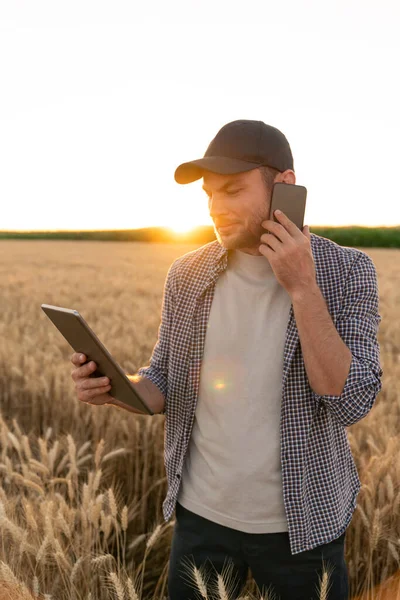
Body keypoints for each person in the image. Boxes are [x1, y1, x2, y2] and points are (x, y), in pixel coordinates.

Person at [70, 120, 383, 600]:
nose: (217, 208)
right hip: (201, 521)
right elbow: (163, 382)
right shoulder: (187, 274)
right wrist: (117, 388)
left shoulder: (348, 272)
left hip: (303, 528)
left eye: (233, 190)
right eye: (209, 195)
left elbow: (351, 403)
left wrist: (301, 286)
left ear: (284, 186)